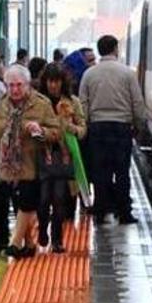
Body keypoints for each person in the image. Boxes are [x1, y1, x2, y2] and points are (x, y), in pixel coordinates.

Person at [0, 65, 61, 258]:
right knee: (20, 204)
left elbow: (56, 133)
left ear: (28, 85)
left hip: (33, 163)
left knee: (27, 202)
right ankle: (29, 243)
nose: (15, 90)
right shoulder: (2, 104)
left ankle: (14, 242)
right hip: (8, 164)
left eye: (19, 85)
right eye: (10, 85)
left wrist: (40, 131)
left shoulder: (41, 104)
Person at [79, 35, 145, 225]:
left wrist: (87, 125)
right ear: (115, 49)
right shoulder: (127, 73)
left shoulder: (89, 74)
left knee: (101, 172)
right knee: (122, 172)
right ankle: (124, 213)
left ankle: (100, 211)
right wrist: (138, 125)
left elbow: (83, 103)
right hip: (121, 128)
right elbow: (137, 102)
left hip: (97, 128)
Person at [37, 63, 86, 253]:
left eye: (56, 82)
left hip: (63, 156)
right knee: (42, 199)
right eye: (50, 81)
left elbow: (82, 129)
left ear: (63, 82)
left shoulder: (72, 102)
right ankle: (42, 229)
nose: (53, 86)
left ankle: (57, 239)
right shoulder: (38, 101)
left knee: (59, 198)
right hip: (42, 155)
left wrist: (71, 128)